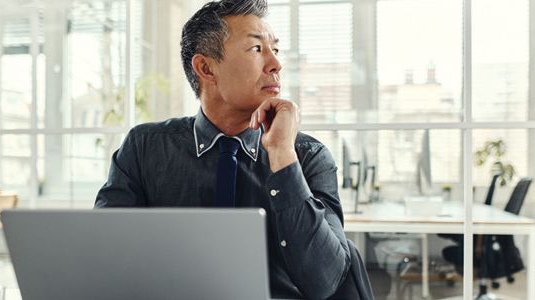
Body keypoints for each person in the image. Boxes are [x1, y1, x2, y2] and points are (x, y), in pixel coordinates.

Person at [95, 0, 373, 299]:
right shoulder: (145, 148)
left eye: (275, 50)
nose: (276, 64)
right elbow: (105, 260)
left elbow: (325, 282)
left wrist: (282, 154)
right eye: (256, 49)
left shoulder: (307, 156)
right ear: (205, 67)